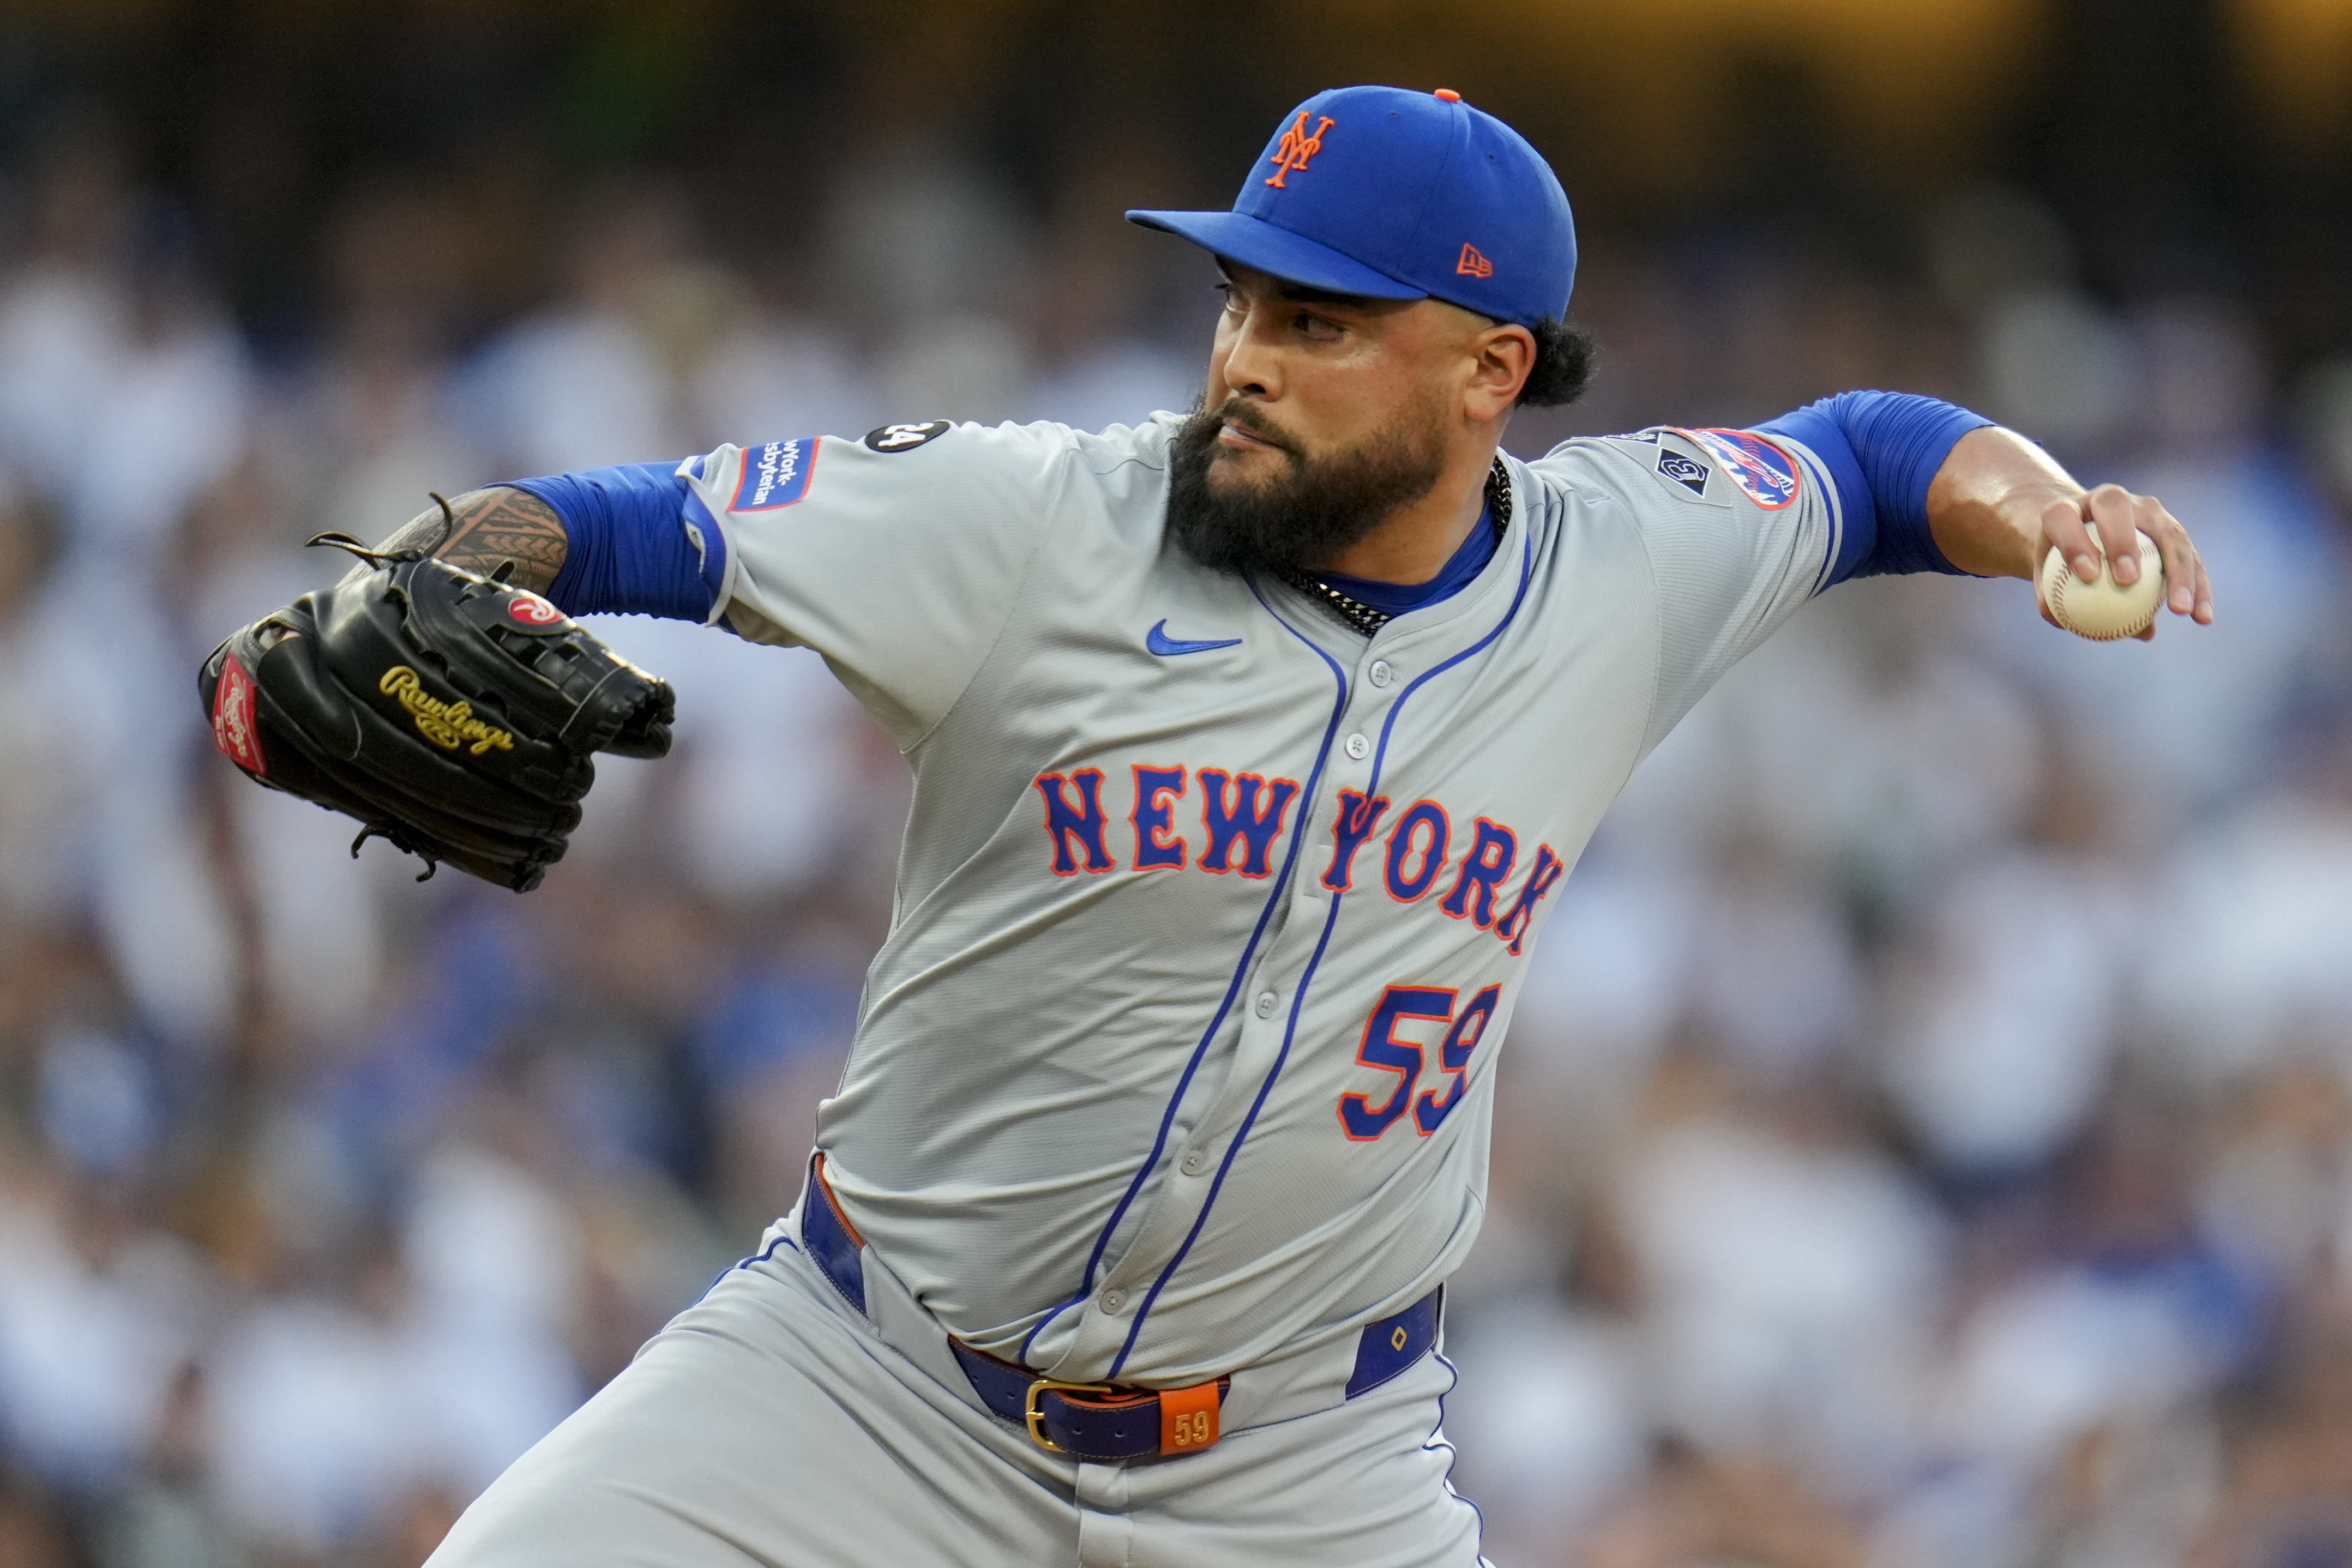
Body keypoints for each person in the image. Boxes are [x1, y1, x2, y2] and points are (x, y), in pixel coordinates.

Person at [414, 85, 2212, 1567]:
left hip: (1295, 1473)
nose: (1244, 363)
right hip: (861, 1391)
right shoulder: (1041, 519)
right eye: (1240, 303)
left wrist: (2046, 511)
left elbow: (1872, 456)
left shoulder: (1621, 561)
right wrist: (450, 566)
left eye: (1317, 323)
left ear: (1490, 370)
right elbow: (632, 519)